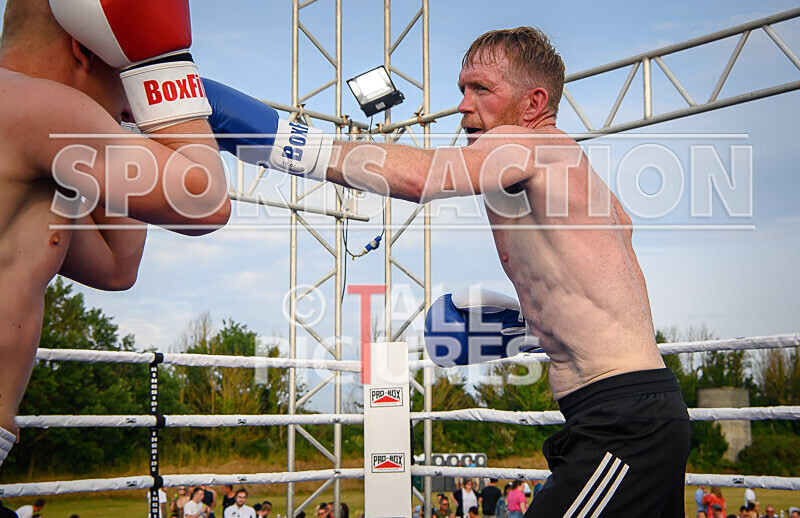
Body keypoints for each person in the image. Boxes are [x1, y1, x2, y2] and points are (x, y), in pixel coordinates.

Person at [205, 25, 690, 517]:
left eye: (481, 88)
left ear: (532, 102)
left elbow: (421, 177)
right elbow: (620, 229)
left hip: (625, 423)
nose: (462, 104)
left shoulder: (530, 147)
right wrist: (540, 324)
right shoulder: (567, 166)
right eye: (461, 88)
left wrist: (284, 142)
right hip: (620, 413)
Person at [0, 0, 230, 468]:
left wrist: (121, 117)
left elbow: (116, 264)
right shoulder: (36, 108)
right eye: (126, 72)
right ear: (85, 50)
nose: (131, 100)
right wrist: (159, 67)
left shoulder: (34, 141)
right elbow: (204, 201)